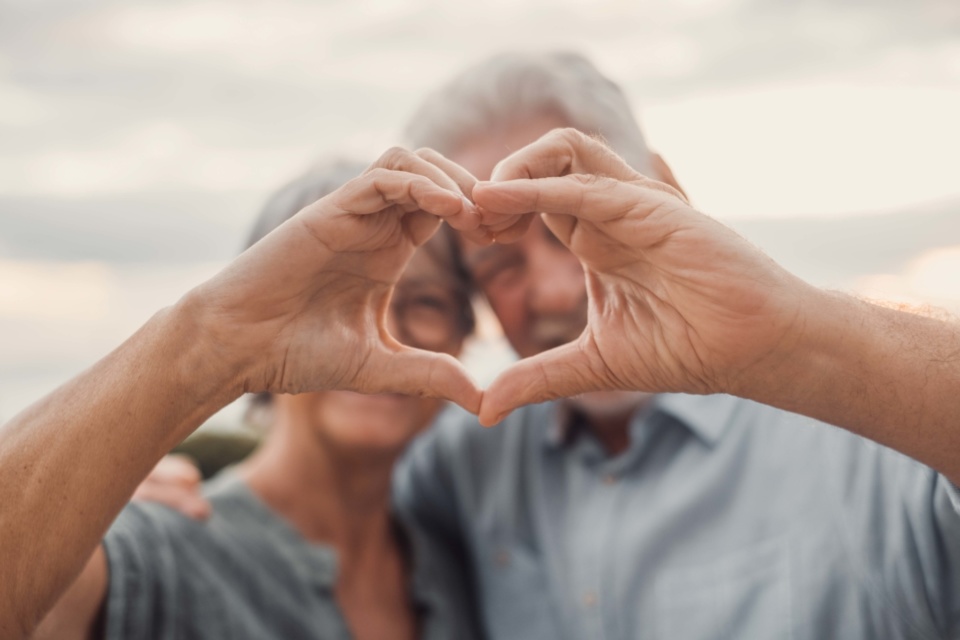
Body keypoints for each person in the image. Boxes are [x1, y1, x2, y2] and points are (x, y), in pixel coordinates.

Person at [392, 51, 960, 639]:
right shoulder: (461, 465)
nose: (556, 295)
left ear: (664, 189)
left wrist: (793, 335)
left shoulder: (861, 430)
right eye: (499, 264)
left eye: (570, 228)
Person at [0, 150, 487, 640]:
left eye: (428, 303)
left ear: (463, 337)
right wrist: (206, 343)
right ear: (267, 322)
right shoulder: (163, 548)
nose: (384, 333)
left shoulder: (464, 561)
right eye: (338, 297)